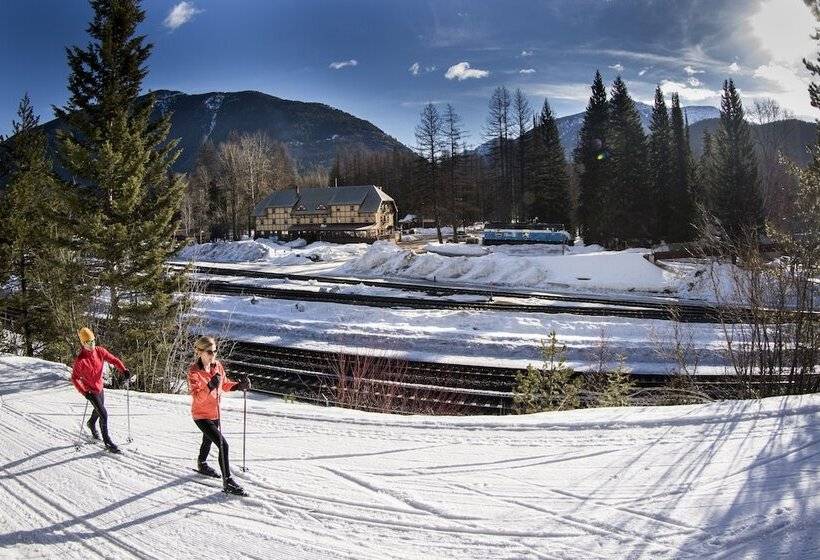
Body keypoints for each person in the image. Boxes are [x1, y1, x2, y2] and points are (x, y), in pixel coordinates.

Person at [188, 335, 250, 495]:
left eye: (215, 351)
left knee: (207, 440)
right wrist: (209, 386)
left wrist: (238, 386)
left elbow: (224, 384)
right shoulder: (194, 372)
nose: (213, 355)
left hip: (215, 412)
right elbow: (198, 398)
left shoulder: (218, 366)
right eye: (209, 352)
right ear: (200, 352)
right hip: (201, 415)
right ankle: (228, 481)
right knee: (223, 445)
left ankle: (202, 463)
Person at [71, 327, 130, 453]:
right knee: (103, 414)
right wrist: (84, 392)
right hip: (90, 391)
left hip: (99, 387)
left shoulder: (100, 351)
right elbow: (75, 378)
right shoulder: (80, 360)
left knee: (98, 410)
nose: (91, 344)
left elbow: (113, 360)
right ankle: (107, 441)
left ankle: (91, 423)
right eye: (88, 342)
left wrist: (123, 370)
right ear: (83, 343)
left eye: (93, 341)